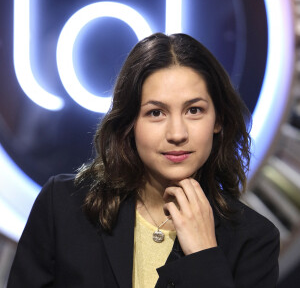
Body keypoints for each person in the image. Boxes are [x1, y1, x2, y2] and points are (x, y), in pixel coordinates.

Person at [7, 33, 279, 288]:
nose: (177, 134)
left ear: (218, 120)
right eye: (156, 113)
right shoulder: (63, 207)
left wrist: (204, 255)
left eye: (194, 110)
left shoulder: (254, 240)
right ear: (130, 122)